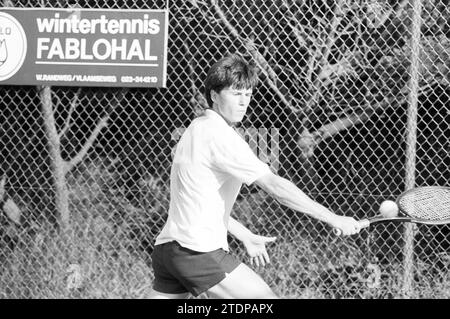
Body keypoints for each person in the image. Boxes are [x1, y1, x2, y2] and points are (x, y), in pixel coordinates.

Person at [150, 54, 361, 299]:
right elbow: (274, 185)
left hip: (168, 249)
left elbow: (198, 201)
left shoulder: (195, 129)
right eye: (235, 94)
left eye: (247, 95)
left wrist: (244, 234)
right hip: (197, 252)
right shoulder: (221, 137)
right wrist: (333, 217)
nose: (243, 102)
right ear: (215, 96)